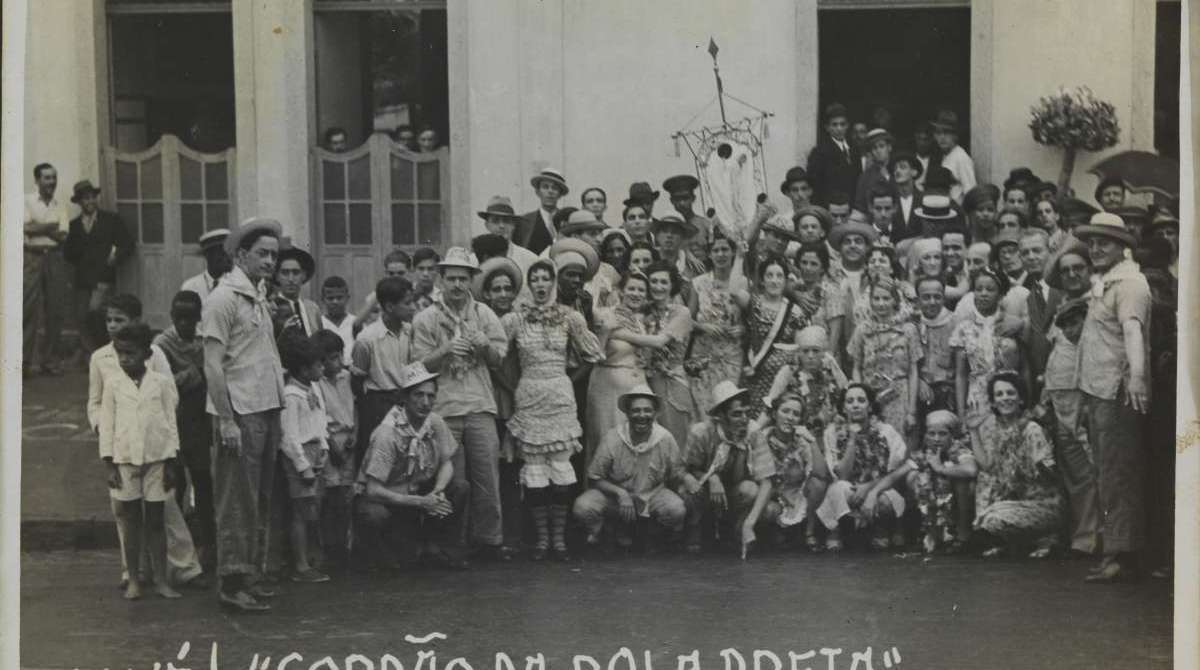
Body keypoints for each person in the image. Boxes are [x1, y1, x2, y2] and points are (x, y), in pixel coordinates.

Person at [91, 293, 205, 591]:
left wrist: (156, 431)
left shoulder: (154, 355)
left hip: (154, 445)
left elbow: (170, 398)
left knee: (164, 508)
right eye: (109, 320)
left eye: (119, 320)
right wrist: (104, 428)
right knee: (123, 511)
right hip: (122, 446)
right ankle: (133, 572)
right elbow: (96, 401)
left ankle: (183, 567)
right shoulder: (100, 358)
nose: (113, 325)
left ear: (136, 321)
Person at [202, 217, 287, 613]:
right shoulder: (223, 298)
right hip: (239, 412)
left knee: (258, 497)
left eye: (273, 255)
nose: (269, 261)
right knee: (236, 499)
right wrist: (225, 420)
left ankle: (249, 576)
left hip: (265, 408)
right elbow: (212, 364)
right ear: (240, 256)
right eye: (261, 254)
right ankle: (232, 582)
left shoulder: (258, 296)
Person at [411, 247, 509, 561]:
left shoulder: (484, 314)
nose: (456, 285)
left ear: (471, 281)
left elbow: (499, 359)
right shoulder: (426, 317)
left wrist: (484, 346)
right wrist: (446, 350)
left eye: (463, 279)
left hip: (480, 404)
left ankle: (489, 541)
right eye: (451, 278)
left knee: (487, 476)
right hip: (444, 407)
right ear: (441, 279)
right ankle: (454, 544)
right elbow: (418, 366)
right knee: (454, 480)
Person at [502, 260, 604, 560]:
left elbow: (593, 355)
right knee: (535, 472)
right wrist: (513, 386)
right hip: (529, 395)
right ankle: (542, 541)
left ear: (553, 283)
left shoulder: (570, 317)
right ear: (529, 284)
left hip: (560, 395)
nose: (541, 284)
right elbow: (495, 357)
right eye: (535, 279)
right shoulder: (515, 319)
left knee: (560, 471)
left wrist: (568, 380)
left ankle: (559, 541)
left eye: (545, 279)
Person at [1073, 213, 1150, 583]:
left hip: (1117, 391)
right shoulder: (1106, 282)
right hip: (1098, 389)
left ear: (1122, 246)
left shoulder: (1130, 284)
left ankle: (1120, 555)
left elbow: (1132, 331)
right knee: (1107, 471)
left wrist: (1137, 377)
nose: (1095, 248)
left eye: (1104, 242)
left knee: (1117, 473)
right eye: (1092, 242)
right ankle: (1115, 551)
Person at [99, 323, 184, 601]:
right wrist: (110, 465)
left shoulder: (160, 383)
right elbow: (107, 425)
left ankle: (161, 580)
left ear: (147, 354)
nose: (124, 359)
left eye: (131, 353)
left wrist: (171, 461)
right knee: (131, 521)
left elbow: (170, 423)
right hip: (125, 461)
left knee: (156, 521)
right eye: (120, 353)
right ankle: (134, 579)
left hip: (157, 459)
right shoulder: (113, 384)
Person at [356, 363, 469, 570]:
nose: (425, 402)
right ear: (404, 398)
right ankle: (376, 553)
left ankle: (434, 547)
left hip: (417, 491)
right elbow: (373, 490)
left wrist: (437, 492)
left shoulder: (434, 421)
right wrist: (421, 502)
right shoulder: (387, 434)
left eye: (431, 396)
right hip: (391, 498)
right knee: (376, 520)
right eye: (418, 395)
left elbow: (447, 462)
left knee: (459, 487)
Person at [574, 386, 688, 552]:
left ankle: (650, 533)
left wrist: (687, 483)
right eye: (636, 410)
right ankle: (607, 530)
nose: (642, 415)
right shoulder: (613, 437)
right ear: (627, 414)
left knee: (676, 509)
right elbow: (594, 477)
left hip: (651, 495)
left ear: (655, 413)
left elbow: (677, 471)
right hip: (616, 498)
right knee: (583, 507)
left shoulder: (665, 438)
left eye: (647, 410)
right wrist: (621, 494)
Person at [153, 291, 215, 569]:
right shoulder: (161, 345)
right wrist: (194, 373)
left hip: (198, 423)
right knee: (175, 487)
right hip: (173, 424)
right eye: (180, 318)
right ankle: (174, 552)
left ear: (199, 317)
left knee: (203, 484)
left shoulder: (203, 341)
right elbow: (162, 384)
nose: (185, 324)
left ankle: (208, 546)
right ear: (172, 317)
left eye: (190, 318)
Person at [971, 372, 1062, 558]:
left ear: (1020, 399)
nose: (1005, 398)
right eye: (999, 394)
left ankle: (1048, 538)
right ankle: (1015, 543)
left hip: (1042, 504)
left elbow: (1050, 474)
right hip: (1015, 502)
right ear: (993, 403)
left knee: (991, 519)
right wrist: (973, 430)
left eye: (1010, 393)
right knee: (985, 481)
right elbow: (987, 466)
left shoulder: (1032, 429)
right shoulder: (996, 430)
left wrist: (1034, 465)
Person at [1034, 297, 1097, 557]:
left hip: (1083, 414)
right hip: (1060, 413)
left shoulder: (1093, 345)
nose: (1070, 330)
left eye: (1075, 323)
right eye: (1066, 325)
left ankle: (1091, 539)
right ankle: (1078, 536)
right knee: (1073, 478)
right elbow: (1051, 375)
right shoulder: (1060, 343)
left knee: (1089, 475)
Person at [816, 384, 911, 551]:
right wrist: (852, 439)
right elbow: (842, 475)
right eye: (850, 401)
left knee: (885, 500)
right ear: (843, 408)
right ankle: (835, 530)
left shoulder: (886, 431)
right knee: (838, 488)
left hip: (880, 486)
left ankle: (880, 528)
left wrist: (868, 488)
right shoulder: (832, 432)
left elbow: (895, 472)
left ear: (870, 406)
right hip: (849, 487)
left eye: (861, 400)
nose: (855, 405)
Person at [472, 257, 524, 556]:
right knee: (498, 466)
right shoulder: (483, 321)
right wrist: (514, 391)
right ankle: (496, 534)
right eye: (496, 289)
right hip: (497, 395)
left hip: (522, 395)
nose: (503, 294)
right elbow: (493, 365)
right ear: (487, 294)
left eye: (507, 288)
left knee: (517, 469)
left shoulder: (521, 319)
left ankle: (516, 534)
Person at [740, 393, 832, 555]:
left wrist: (811, 441)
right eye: (785, 411)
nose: (790, 417)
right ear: (774, 414)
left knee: (818, 483)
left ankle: (808, 532)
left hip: (795, 497)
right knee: (767, 508)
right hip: (770, 496)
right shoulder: (763, 437)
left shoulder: (801, 440)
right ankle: (767, 533)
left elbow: (822, 474)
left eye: (796, 414)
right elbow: (757, 476)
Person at [276, 332, 332, 584]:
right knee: (300, 511)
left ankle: (311, 556)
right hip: (300, 456)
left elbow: (320, 422)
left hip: (316, 452)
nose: (323, 368)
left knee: (312, 508)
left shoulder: (313, 388)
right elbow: (288, 437)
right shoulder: (291, 395)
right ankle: (300, 564)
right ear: (303, 368)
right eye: (318, 365)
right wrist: (302, 466)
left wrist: (324, 447)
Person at [62, 179, 136, 360]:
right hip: (82, 279)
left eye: (92, 197)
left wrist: (115, 257)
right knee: (81, 317)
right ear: (79, 202)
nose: (89, 202)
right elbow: (68, 254)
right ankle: (92, 353)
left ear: (96, 199)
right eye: (85, 199)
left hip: (103, 277)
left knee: (96, 311)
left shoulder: (111, 220)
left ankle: (105, 350)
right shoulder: (74, 225)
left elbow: (128, 244)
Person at [679, 382, 754, 553]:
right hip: (703, 488)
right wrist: (711, 478)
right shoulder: (701, 433)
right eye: (736, 414)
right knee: (688, 487)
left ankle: (733, 528)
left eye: (746, 413)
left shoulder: (751, 431)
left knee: (750, 489)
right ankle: (695, 527)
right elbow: (683, 468)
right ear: (720, 416)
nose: (744, 419)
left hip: (732, 489)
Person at [586, 272, 653, 463]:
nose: (636, 294)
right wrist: (605, 332)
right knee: (607, 440)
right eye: (631, 288)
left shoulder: (640, 321)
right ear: (621, 291)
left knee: (636, 441)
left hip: (635, 387)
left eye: (641, 290)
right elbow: (594, 355)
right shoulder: (605, 314)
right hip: (608, 387)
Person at [737, 253, 814, 412]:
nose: (774, 280)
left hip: (781, 382)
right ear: (762, 280)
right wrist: (739, 256)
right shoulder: (754, 304)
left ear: (785, 281)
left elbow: (802, 347)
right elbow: (733, 291)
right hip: (752, 377)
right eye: (769, 275)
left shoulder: (794, 311)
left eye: (779, 276)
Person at [951, 269, 1023, 438]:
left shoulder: (1012, 324)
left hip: (1008, 394)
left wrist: (1025, 402)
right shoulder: (964, 328)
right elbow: (961, 375)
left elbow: (1024, 368)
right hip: (978, 395)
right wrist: (961, 413)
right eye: (979, 289)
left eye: (990, 289)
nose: (983, 294)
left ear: (1001, 294)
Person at [350, 277, 417, 460]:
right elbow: (357, 380)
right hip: (377, 405)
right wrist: (371, 407)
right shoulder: (367, 338)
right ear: (389, 306)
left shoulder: (410, 332)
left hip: (405, 402)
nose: (413, 308)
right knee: (377, 456)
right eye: (407, 303)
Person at [848, 278, 921, 442]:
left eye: (886, 298)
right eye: (876, 298)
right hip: (871, 396)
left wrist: (911, 411)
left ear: (895, 300)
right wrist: (860, 397)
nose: (881, 304)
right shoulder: (862, 330)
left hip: (899, 396)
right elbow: (856, 367)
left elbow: (913, 371)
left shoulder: (908, 330)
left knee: (898, 444)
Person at [312, 329, 357, 572]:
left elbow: (355, 408)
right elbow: (319, 418)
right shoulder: (316, 384)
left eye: (340, 355)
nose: (337, 362)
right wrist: (332, 446)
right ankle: (328, 548)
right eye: (331, 358)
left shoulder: (347, 378)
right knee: (330, 493)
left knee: (347, 494)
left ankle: (343, 548)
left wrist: (355, 435)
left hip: (348, 440)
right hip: (328, 441)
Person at [640, 260, 698, 451]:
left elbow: (661, 341)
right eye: (654, 281)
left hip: (672, 382)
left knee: (674, 441)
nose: (658, 286)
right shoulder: (643, 311)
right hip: (645, 381)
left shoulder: (681, 312)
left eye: (664, 282)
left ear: (672, 285)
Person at [687, 231, 747, 413]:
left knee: (728, 404)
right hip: (704, 353)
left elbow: (751, 318)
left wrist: (743, 329)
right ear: (710, 254)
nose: (721, 254)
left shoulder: (743, 282)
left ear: (733, 252)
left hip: (731, 354)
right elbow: (686, 320)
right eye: (716, 250)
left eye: (725, 249)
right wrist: (703, 326)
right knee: (704, 407)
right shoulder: (698, 283)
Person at [904, 410, 976, 554]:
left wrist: (940, 468)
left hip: (957, 503)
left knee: (961, 480)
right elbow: (897, 474)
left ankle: (962, 535)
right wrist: (874, 492)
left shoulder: (958, 449)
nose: (936, 439)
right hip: (933, 503)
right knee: (913, 476)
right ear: (926, 436)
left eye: (942, 434)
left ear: (952, 436)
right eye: (932, 434)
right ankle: (930, 533)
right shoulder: (924, 452)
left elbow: (971, 470)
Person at [24, 163, 71, 377]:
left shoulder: (60, 205)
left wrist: (37, 227)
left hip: (54, 257)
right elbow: (23, 228)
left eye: (54, 177)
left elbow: (62, 237)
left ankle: (50, 361)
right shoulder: (26, 201)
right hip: (31, 257)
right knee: (28, 309)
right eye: (47, 178)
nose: (52, 182)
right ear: (37, 180)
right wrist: (50, 226)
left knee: (55, 309)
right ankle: (23, 363)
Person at [758, 325, 847, 436]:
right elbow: (770, 405)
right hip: (795, 431)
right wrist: (755, 430)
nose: (810, 356)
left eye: (815, 351)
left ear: (823, 353)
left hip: (826, 431)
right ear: (799, 353)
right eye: (805, 351)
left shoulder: (830, 367)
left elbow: (845, 393)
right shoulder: (788, 371)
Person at [914, 276, 957, 415]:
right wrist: (918, 381)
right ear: (918, 300)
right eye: (926, 297)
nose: (932, 302)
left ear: (944, 298)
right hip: (917, 389)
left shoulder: (956, 324)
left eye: (937, 297)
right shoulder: (912, 324)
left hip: (948, 392)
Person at [807, 103, 860, 207]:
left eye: (842, 124)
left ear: (847, 126)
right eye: (834, 125)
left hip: (851, 206)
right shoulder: (820, 152)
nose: (839, 128)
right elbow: (815, 186)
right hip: (831, 207)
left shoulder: (854, 150)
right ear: (827, 127)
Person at [477, 195, 539, 274]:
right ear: (487, 225)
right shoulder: (474, 260)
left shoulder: (530, 260)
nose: (501, 226)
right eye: (495, 221)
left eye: (506, 221)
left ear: (513, 225)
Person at [272, 242, 322, 337]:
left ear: (303, 275)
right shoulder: (272, 308)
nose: (291, 279)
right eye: (285, 273)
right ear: (277, 276)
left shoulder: (313, 309)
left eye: (296, 273)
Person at [518, 168, 569, 255]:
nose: (550, 191)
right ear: (538, 192)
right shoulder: (525, 221)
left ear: (560, 194)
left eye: (555, 188)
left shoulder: (567, 219)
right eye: (545, 187)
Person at [928, 110, 976, 203]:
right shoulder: (942, 155)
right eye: (939, 133)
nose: (942, 137)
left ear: (955, 136)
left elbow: (971, 192)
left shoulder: (961, 157)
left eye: (947, 133)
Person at [180, 229, 232, 308]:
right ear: (207, 254)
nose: (227, 257)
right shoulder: (190, 287)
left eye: (229, 251)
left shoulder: (236, 285)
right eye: (221, 252)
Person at [663, 174, 714, 249]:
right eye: (677, 199)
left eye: (685, 198)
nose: (682, 203)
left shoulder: (705, 224)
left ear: (693, 198)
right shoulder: (666, 230)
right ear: (672, 201)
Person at [652, 211, 706, 283]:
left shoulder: (693, 267)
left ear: (683, 237)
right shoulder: (648, 259)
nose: (669, 235)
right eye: (665, 231)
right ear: (657, 236)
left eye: (675, 232)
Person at [854, 128, 894, 213]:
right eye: (874, 148)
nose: (878, 151)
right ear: (871, 152)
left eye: (881, 146)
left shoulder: (897, 171)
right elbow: (860, 207)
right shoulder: (865, 178)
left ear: (889, 147)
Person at [319, 276, 357, 365]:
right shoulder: (319, 323)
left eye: (339, 298)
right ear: (323, 299)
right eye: (330, 298)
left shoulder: (355, 323)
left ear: (347, 298)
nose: (335, 302)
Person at [888, 151, 924, 241]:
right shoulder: (889, 200)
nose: (897, 171)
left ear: (914, 172)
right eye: (895, 168)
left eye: (903, 167)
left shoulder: (923, 200)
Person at [941, 229, 969, 308]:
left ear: (967, 249)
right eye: (946, 248)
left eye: (956, 248)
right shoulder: (945, 272)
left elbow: (959, 293)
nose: (950, 253)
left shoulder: (973, 269)